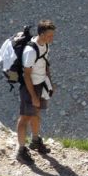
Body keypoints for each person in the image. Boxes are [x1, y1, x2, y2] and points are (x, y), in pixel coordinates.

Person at [16, 19, 56, 165]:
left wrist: (50, 82)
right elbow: (26, 75)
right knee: (25, 117)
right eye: (49, 35)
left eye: (52, 35)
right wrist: (33, 96)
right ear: (41, 33)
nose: (52, 38)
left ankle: (35, 140)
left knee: (36, 113)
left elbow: (45, 63)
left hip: (41, 84)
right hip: (29, 87)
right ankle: (21, 150)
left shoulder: (45, 44)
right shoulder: (30, 51)